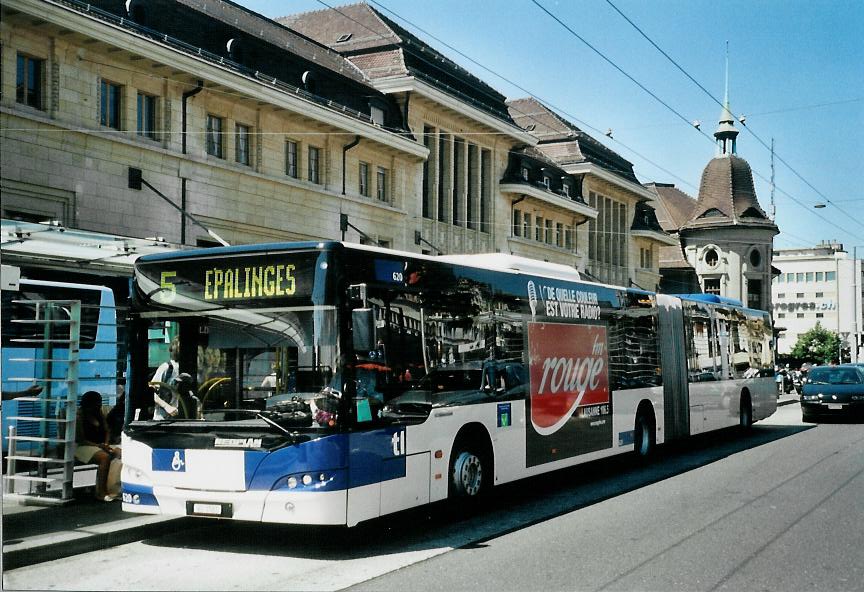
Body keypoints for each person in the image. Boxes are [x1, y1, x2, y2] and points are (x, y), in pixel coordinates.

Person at [75, 390, 119, 501]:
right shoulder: (79, 416)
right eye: (96, 403)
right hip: (83, 446)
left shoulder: (99, 413)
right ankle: (101, 492)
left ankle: (116, 488)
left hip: (100, 445)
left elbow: (107, 430)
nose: (99, 406)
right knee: (104, 457)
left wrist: (106, 443)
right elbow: (81, 439)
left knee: (120, 452)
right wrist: (100, 446)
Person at [152, 338, 181, 419]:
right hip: (163, 419)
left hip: (182, 418)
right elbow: (150, 393)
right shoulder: (166, 368)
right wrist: (167, 407)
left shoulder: (190, 370)